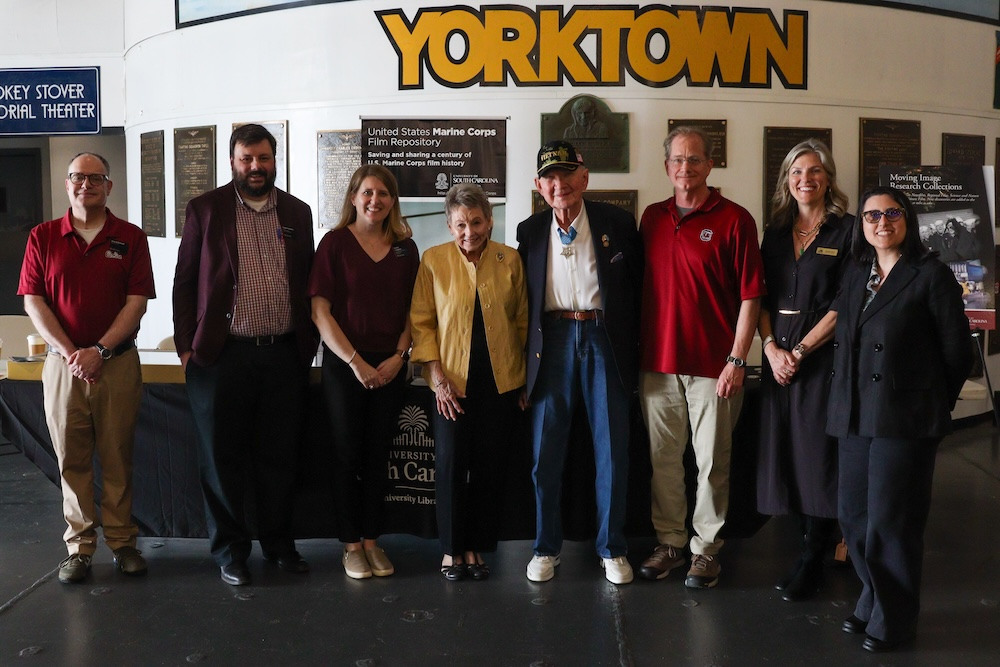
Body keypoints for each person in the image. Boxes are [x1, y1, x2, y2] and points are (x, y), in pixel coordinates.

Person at [828, 186, 972, 652]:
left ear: (906, 220)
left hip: (904, 419)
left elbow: (958, 354)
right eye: (872, 215)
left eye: (892, 213)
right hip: (854, 413)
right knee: (853, 518)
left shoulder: (930, 275)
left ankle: (896, 619)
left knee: (893, 522)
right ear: (862, 225)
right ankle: (872, 599)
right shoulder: (855, 274)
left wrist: (929, 404)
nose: (881, 222)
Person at [172, 123, 317, 586]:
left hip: (282, 356)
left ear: (276, 160)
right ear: (233, 162)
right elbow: (184, 283)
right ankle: (231, 552)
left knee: (280, 458)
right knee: (221, 459)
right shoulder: (205, 210)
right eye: (246, 159)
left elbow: (307, 280)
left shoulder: (297, 212)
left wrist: (306, 346)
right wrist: (185, 348)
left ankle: (278, 545)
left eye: (263, 158)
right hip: (220, 357)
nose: (255, 167)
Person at [18, 152, 155, 583]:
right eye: (78, 177)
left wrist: (98, 349)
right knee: (70, 459)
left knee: (118, 457)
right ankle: (78, 548)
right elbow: (33, 301)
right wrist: (71, 352)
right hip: (62, 367)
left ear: (109, 187)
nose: (86, 185)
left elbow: (137, 303)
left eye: (96, 178)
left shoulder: (130, 237)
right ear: (67, 185)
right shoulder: (42, 237)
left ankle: (122, 542)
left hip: (117, 363)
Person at [637, 126, 765, 588]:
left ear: (710, 165)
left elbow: (752, 297)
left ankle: (706, 550)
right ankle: (670, 542)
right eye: (677, 160)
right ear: (666, 166)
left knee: (712, 463)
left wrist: (736, 359)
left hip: (716, 368)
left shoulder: (735, 220)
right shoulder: (651, 218)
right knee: (663, 461)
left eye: (694, 160)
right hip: (658, 365)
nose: (685, 168)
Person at [516, 140, 643, 585]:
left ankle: (612, 548)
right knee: (544, 451)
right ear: (538, 185)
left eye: (567, 175)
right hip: (550, 342)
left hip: (601, 336)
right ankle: (545, 547)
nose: (559, 185)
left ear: (584, 179)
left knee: (612, 449)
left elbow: (638, 292)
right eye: (550, 178)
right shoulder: (528, 231)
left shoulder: (619, 223)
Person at [410, 183, 528, 581]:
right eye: (460, 224)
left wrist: (524, 380)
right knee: (450, 465)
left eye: (476, 221)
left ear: (490, 220)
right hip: (451, 386)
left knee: (489, 467)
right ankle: (450, 550)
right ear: (448, 225)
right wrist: (437, 378)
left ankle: (476, 547)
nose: (469, 231)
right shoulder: (432, 261)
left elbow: (523, 322)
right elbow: (422, 323)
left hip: (500, 382)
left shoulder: (509, 259)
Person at [309, 165, 418, 579]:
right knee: (345, 455)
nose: (376, 200)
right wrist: (356, 362)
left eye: (384, 194)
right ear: (353, 197)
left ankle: (373, 541)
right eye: (368, 193)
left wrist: (399, 356)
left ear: (393, 201)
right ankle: (351, 545)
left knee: (379, 456)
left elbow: (415, 310)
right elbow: (320, 312)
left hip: (390, 366)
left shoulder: (407, 249)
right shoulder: (334, 243)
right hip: (344, 365)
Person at [755, 139, 852, 601]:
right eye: (796, 172)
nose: (805, 180)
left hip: (822, 360)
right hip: (778, 360)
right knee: (788, 456)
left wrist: (801, 351)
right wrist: (773, 349)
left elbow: (845, 303)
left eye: (814, 171)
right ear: (786, 181)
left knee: (819, 461)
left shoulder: (848, 231)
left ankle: (816, 557)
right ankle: (804, 549)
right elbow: (757, 297)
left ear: (828, 178)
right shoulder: (774, 232)